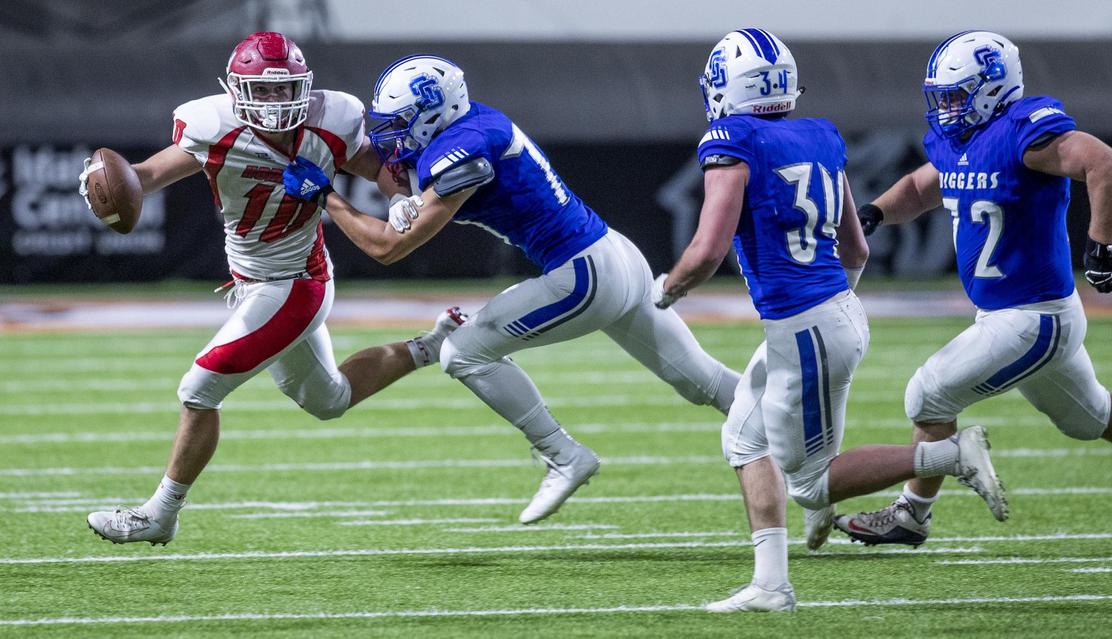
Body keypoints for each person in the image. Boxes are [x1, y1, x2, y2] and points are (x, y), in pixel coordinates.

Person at [281, 54, 742, 525]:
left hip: (583, 273)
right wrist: (403, 197)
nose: (389, 134)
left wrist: (326, 198)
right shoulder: (465, 127)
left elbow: (388, 250)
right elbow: (398, 172)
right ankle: (815, 457)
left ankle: (562, 453)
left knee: (461, 353)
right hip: (615, 255)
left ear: (434, 114)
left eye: (400, 122)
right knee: (705, 382)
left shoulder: (465, 149)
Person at [653, 29, 1008, 613]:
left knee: (810, 481)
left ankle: (952, 456)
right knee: (743, 437)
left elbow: (709, 247)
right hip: (833, 312)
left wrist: (668, 289)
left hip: (806, 327)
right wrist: (834, 310)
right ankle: (771, 583)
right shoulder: (820, 133)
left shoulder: (730, 137)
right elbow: (857, 249)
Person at [82, 32, 462, 546]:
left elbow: (379, 167)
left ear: (302, 88)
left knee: (199, 388)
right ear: (237, 90)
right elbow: (145, 176)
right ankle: (430, 346)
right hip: (251, 280)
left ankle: (161, 513)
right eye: (262, 91)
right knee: (329, 399)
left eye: (284, 92)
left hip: (295, 283)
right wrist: (104, 186)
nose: (275, 103)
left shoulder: (332, 120)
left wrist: (397, 199)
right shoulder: (211, 126)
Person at [835, 30, 1112, 547]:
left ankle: (913, 513)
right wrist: (873, 213)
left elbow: (1106, 165)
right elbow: (920, 186)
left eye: (955, 95)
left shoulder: (1025, 131)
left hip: (1033, 316)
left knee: (929, 392)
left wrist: (1098, 245)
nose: (946, 108)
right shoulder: (963, 142)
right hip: (1011, 316)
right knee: (1092, 418)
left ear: (991, 88)